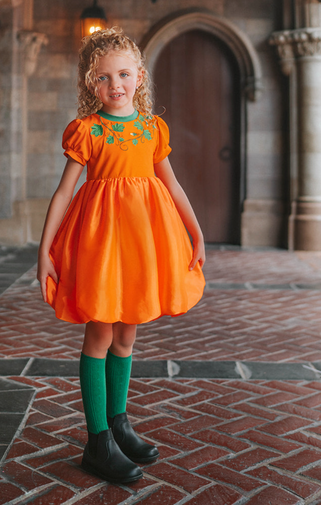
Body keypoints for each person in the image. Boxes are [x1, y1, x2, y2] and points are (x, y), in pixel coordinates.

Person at [37, 26, 206, 485]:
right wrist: (44, 251)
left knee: (126, 337)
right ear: (89, 84)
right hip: (100, 247)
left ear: (139, 77)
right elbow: (63, 193)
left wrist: (195, 232)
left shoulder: (153, 129)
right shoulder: (88, 131)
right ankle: (96, 441)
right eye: (103, 77)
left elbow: (172, 187)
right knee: (100, 333)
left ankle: (118, 423)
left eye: (124, 74)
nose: (116, 85)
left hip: (141, 245)